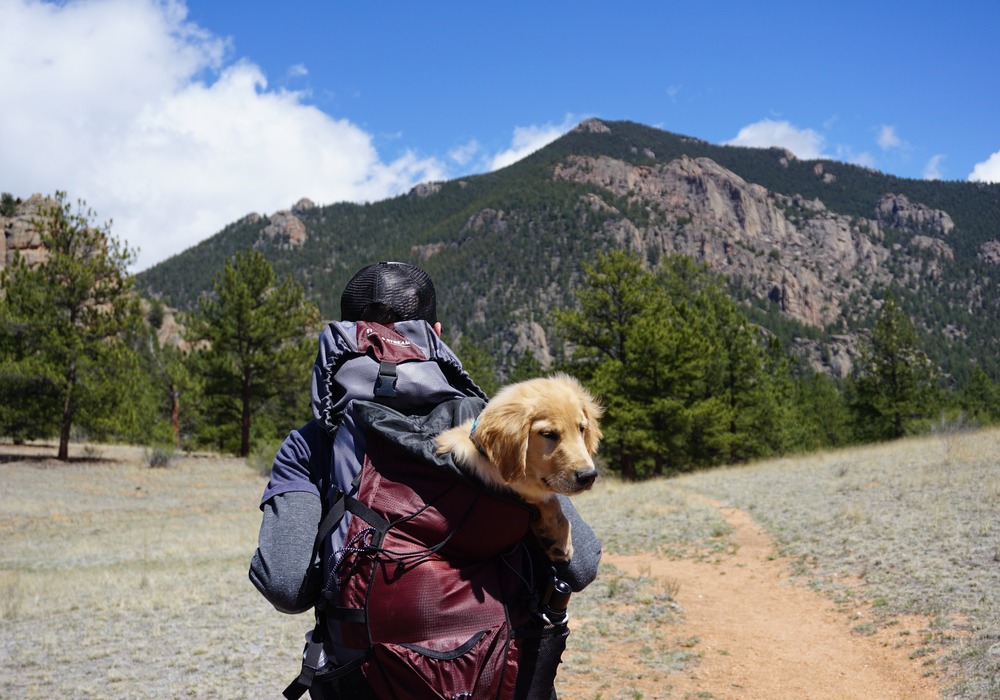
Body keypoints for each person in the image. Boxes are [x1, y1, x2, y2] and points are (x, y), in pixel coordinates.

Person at [250, 261, 602, 699]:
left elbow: (286, 587)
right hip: (498, 676)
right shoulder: (489, 427)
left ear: (346, 335)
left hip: (370, 679)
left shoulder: (311, 443)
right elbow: (581, 565)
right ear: (435, 332)